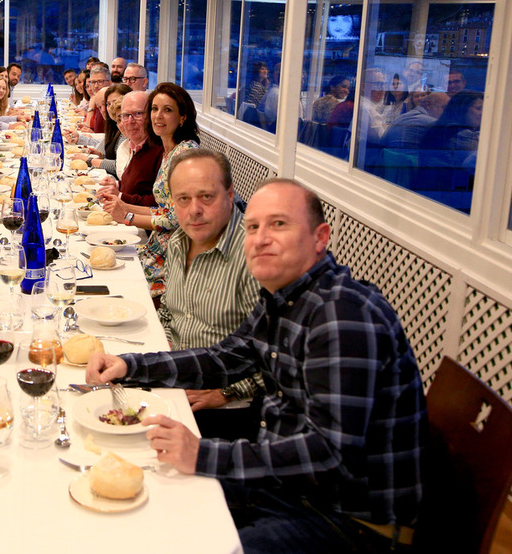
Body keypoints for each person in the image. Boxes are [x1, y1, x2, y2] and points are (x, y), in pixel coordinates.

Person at [87, 179, 426, 554]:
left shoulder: (343, 315)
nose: (261, 238)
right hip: (289, 489)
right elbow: (224, 358)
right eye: (253, 227)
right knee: (144, 496)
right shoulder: (285, 297)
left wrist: (203, 454)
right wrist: (129, 364)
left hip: (350, 521)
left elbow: (330, 454)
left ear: (320, 237)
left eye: (279, 224)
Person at [158, 149, 261, 440]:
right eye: (183, 199)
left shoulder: (253, 256)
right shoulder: (179, 242)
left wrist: (225, 393)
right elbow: (168, 310)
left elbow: (280, 354)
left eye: (206, 197)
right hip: (175, 383)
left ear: (229, 195)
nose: (194, 210)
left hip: (228, 413)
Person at [99, 83, 200, 298]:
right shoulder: (168, 152)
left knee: (112, 281)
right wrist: (123, 206)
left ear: (183, 117)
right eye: (154, 109)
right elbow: (163, 208)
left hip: (176, 252)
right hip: (159, 243)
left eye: (168, 110)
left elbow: (176, 218)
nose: (158, 116)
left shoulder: (186, 155)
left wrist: (127, 215)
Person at [96, 91, 163, 202]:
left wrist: (120, 196)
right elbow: (137, 184)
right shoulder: (136, 146)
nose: (130, 121)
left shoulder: (160, 149)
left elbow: (159, 204)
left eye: (138, 114)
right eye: (126, 116)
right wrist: (117, 185)